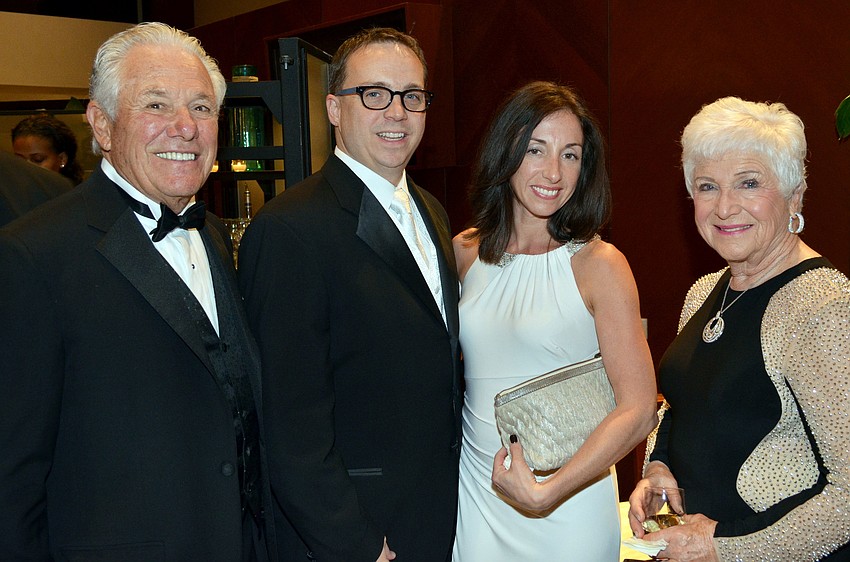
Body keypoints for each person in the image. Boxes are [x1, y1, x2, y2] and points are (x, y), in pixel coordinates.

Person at [0, 22, 275, 561]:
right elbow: (12, 480)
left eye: (200, 108)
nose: (185, 127)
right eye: (155, 105)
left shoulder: (215, 235)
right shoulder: (33, 256)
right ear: (101, 125)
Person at [238, 27, 462, 562]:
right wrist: (356, 543)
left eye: (413, 96)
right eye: (375, 94)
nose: (397, 112)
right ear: (334, 108)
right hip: (358, 532)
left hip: (437, 516)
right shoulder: (290, 227)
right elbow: (288, 421)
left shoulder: (432, 210)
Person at [628, 97, 850, 561]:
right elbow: (682, 405)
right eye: (708, 187)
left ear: (795, 195)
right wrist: (660, 468)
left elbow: (847, 498)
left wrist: (724, 548)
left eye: (748, 183)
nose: (725, 207)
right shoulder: (705, 291)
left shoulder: (824, 307)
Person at [451, 81, 658, 561]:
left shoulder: (599, 264)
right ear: (506, 153)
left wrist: (549, 491)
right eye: (536, 150)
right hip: (479, 496)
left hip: (569, 507)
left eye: (571, 155)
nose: (553, 172)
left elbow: (639, 407)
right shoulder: (465, 252)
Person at [0, 148, 72, 226]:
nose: (29, 165)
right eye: (20, 159)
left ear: (62, 159)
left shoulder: (58, 189)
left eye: (38, 160)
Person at [12, 113, 86, 184]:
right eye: (20, 161)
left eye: (38, 160)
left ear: (62, 159)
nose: (26, 168)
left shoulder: (78, 194)